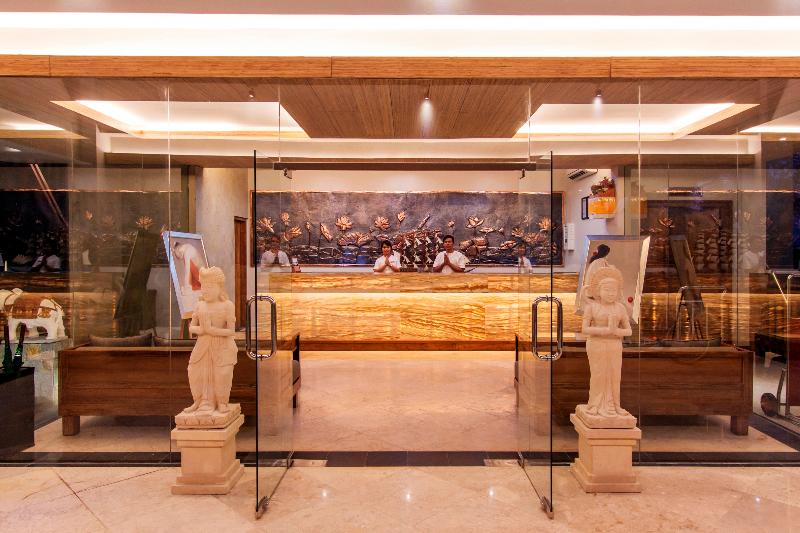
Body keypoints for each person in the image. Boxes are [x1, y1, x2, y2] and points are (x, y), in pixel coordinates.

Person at [578, 264, 634, 426]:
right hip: (596, 344)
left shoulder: (620, 308)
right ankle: (595, 404)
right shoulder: (592, 307)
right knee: (598, 374)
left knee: (615, 374)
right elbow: (585, 329)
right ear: (598, 291)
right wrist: (605, 330)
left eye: (613, 291)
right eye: (607, 290)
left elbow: (628, 331)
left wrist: (615, 331)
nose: (611, 293)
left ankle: (614, 405)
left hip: (614, 344)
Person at [183, 266, 238, 417]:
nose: (205, 290)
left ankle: (222, 402)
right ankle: (199, 401)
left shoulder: (227, 305)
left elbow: (231, 331)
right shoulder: (199, 305)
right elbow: (192, 327)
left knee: (222, 374)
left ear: (220, 288)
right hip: (203, 345)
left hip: (222, 346)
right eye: (203, 287)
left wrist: (211, 330)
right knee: (194, 371)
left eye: (210, 287)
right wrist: (202, 329)